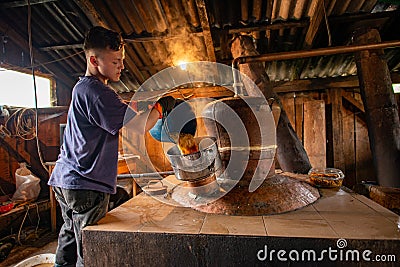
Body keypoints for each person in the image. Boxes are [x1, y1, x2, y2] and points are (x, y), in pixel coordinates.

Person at [47, 26, 175, 267]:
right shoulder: (97, 92)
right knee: (91, 248)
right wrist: (160, 108)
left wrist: (143, 104)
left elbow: (122, 108)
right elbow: (138, 126)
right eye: (116, 61)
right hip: (86, 184)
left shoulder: (84, 88)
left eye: (122, 61)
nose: (122, 66)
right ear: (94, 60)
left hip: (65, 180)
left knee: (70, 238)